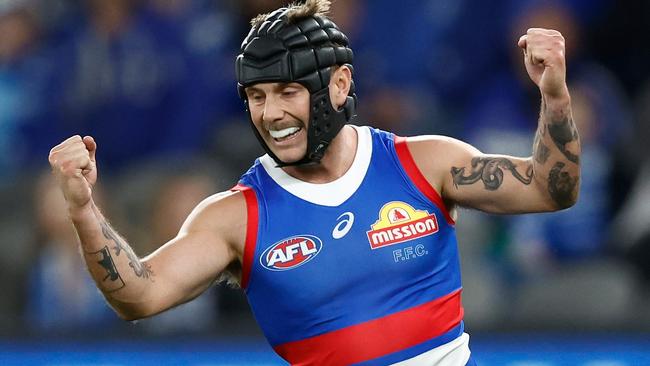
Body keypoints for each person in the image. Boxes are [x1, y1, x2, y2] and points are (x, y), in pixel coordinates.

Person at [48, 0, 581, 364]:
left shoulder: (426, 163)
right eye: (256, 97)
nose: (271, 113)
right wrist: (82, 210)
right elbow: (138, 295)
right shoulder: (237, 216)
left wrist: (554, 96)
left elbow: (551, 190)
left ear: (339, 83)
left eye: (287, 91)